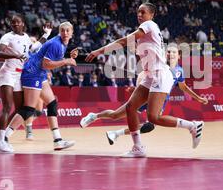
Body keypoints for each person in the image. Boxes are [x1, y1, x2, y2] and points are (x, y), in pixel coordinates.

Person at [85, 3, 204, 157]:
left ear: (151, 15)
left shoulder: (149, 25)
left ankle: (193, 126)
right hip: (150, 75)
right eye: (138, 12)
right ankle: (138, 147)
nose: (139, 15)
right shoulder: (146, 32)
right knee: (130, 108)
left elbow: (122, 41)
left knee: (153, 118)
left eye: (143, 12)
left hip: (160, 74)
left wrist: (99, 51)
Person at [80, 44, 209, 145]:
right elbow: (143, 76)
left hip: (159, 99)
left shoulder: (179, 71)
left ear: (179, 55)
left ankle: (116, 133)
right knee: (115, 115)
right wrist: (137, 89)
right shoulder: (160, 65)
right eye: (168, 51)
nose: (171, 54)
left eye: (174, 52)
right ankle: (94, 116)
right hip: (145, 95)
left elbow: (183, 87)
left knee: (149, 126)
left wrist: (198, 98)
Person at [0, 22, 78, 153]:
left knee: (52, 104)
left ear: (72, 32)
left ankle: (58, 141)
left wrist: (68, 57)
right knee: (28, 109)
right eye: (62, 30)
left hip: (40, 73)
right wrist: (66, 61)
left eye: (68, 31)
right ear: (59, 32)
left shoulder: (63, 44)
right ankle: (3, 138)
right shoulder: (56, 43)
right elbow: (46, 64)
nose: (65, 33)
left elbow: (47, 62)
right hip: (33, 73)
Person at [0, 15, 51, 142]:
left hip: (19, 75)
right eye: (12, 23)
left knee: (21, 109)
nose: (14, 25)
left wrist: (46, 34)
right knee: (7, 107)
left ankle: (1, 135)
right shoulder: (7, 36)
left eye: (17, 22)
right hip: (8, 73)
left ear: (23, 24)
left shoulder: (25, 37)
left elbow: (33, 48)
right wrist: (15, 55)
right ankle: (2, 139)